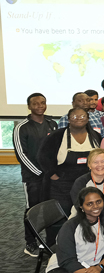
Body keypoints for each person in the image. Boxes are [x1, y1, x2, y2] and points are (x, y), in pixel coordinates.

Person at [14, 93, 58, 256]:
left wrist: (53, 171)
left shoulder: (52, 124)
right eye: (35, 103)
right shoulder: (21, 127)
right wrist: (41, 173)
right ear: (29, 106)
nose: (40, 106)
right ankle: (30, 242)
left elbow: (55, 149)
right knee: (32, 210)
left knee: (51, 209)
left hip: (51, 177)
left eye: (43, 103)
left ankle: (50, 242)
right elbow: (21, 155)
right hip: (33, 178)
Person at [39, 106, 103, 216]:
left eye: (83, 116)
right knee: (61, 215)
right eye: (74, 116)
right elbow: (42, 156)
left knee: (86, 214)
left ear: (87, 119)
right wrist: (52, 175)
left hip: (88, 182)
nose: (78, 118)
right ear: (68, 119)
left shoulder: (95, 136)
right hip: (62, 184)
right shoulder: (57, 136)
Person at [70, 147, 104, 216]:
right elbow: (79, 207)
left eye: (103, 161)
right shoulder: (81, 182)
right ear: (89, 165)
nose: (100, 165)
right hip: (84, 217)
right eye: (95, 162)